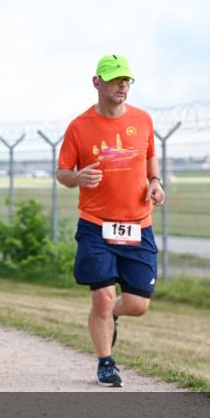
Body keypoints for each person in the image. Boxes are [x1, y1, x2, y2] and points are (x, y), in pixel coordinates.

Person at [56, 55, 165, 388]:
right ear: (97, 82)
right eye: (116, 79)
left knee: (137, 304)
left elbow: (149, 156)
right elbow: (62, 172)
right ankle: (106, 363)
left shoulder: (143, 120)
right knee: (101, 297)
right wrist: (78, 178)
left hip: (138, 224)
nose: (122, 85)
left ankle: (113, 315)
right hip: (96, 225)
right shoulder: (79, 126)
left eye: (127, 80)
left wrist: (156, 182)